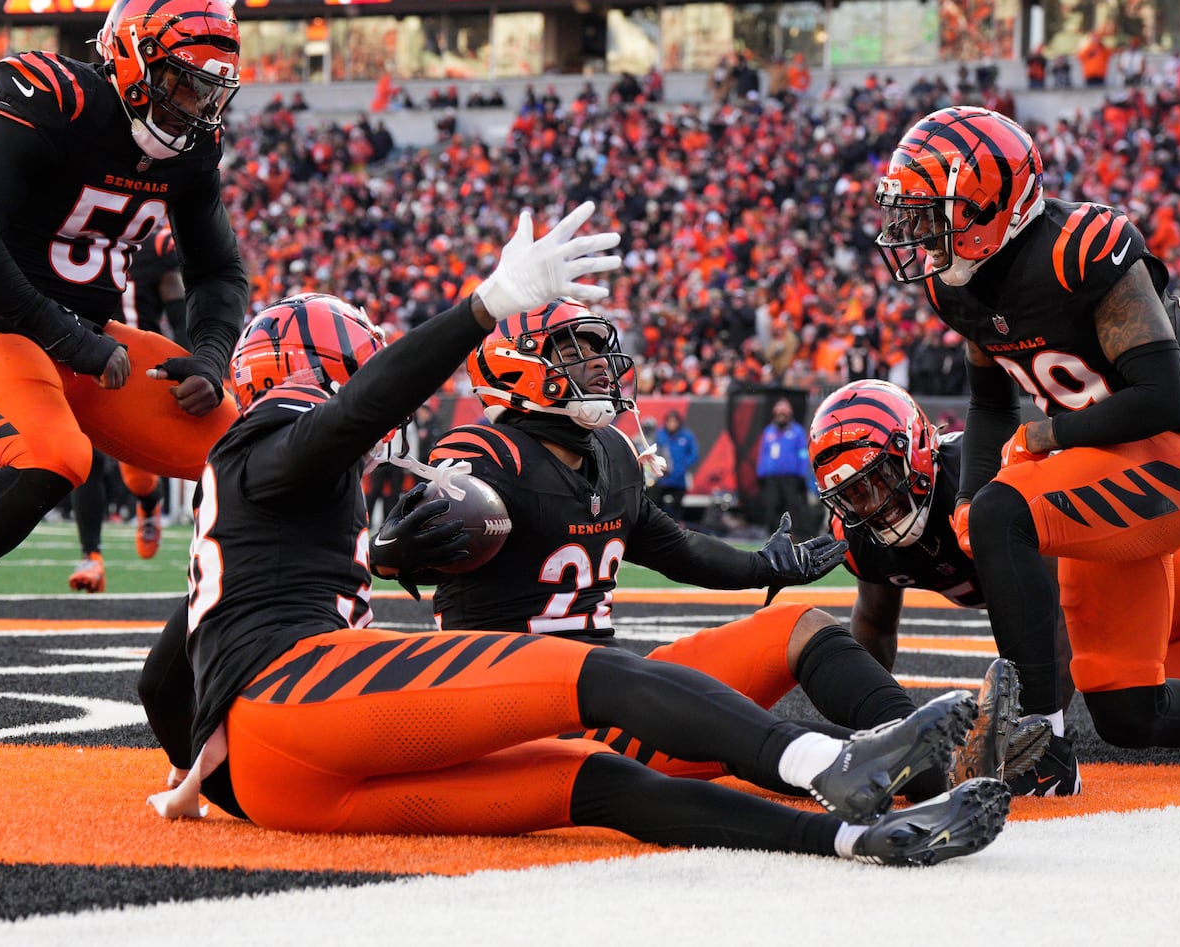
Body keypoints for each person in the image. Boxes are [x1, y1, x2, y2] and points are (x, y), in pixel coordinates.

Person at [138, 205, 1011, 867]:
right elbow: (357, 414)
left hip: (287, 771)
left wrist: (203, 775)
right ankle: (828, 758)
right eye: (359, 368)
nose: (375, 392)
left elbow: (164, 671)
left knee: (599, 785)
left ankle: (853, 837)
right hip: (304, 701)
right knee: (587, 672)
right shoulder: (278, 441)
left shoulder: (263, 491)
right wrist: (480, 307)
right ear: (316, 377)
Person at [871, 105, 1180, 788]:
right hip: (1101, 478)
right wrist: (967, 495)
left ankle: (1040, 743)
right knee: (1127, 709)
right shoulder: (953, 288)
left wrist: (1040, 437)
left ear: (990, 206)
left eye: (932, 214)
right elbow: (992, 401)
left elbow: (1161, 396)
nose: (919, 236)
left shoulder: (1080, 249)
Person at [382, 299, 1047, 803]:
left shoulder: (611, 454)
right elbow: (436, 504)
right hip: (525, 715)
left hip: (616, 693)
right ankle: (896, 769)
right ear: (518, 368)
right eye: (573, 351)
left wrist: (765, 565)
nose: (596, 363)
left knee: (803, 627)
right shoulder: (485, 449)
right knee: (728, 729)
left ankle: (927, 747)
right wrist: (395, 548)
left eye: (594, 348)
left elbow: (680, 548)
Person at [0, 0, 251, 744]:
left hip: (88, 341)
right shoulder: (54, 99)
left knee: (248, 450)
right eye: (182, 84)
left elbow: (218, 269)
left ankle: (229, 650)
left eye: (210, 92)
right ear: (134, 58)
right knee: (55, 458)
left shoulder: (191, 150)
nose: (195, 108)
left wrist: (209, 354)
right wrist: (71, 336)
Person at [809, 380, 1180, 792]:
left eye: (878, 479)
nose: (873, 505)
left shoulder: (978, 479)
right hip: (1116, 624)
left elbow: (1057, 614)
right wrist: (880, 723)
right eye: (852, 493)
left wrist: (1036, 731)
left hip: (1166, 566)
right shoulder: (863, 537)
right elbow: (875, 625)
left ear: (914, 453)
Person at [69, 228, 190, 592]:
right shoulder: (71, 233)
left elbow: (179, 312)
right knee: (81, 454)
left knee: (137, 472)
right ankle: (92, 556)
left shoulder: (157, 244)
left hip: (141, 367)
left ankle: (149, 502)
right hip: (84, 356)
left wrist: (192, 361)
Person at [756, 397, 810, 534]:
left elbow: (803, 452)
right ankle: (772, 534)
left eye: (784, 413)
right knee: (772, 506)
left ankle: (794, 535)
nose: (781, 416)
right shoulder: (769, 431)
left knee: (792, 506)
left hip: (790, 477)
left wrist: (802, 472)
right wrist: (761, 472)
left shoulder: (796, 431)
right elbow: (763, 452)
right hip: (771, 476)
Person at [653, 408, 699, 522]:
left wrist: (683, 465)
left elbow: (694, 453)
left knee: (677, 506)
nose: (672, 424)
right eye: (669, 421)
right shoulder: (660, 435)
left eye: (674, 422)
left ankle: (676, 526)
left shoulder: (686, 436)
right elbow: (654, 451)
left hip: (679, 479)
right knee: (658, 503)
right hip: (663, 478)